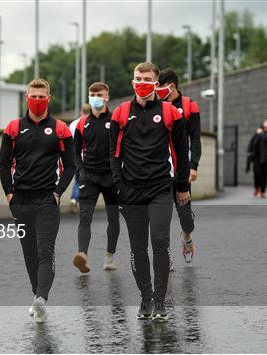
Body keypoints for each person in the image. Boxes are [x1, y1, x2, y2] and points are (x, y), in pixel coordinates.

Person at [109, 62, 189, 320]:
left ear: (156, 83)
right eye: (137, 78)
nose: (141, 82)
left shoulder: (170, 112)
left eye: (146, 78)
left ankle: (160, 300)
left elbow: (180, 154)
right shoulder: (120, 113)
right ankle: (145, 299)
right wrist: (119, 186)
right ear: (132, 81)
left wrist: (182, 187)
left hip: (160, 189)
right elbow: (113, 154)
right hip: (131, 191)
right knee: (138, 248)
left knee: (160, 241)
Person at [0, 78, 75, 322]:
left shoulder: (61, 129)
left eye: (42, 97)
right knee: (29, 252)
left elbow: (71, 166)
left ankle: (42, 298)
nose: (38, 100)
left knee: (45, 251)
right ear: (27, 98)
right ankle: (36, 295)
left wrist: (58, 191)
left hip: (46, 199)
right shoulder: (13, 128)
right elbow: (3, 164)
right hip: (20, 199)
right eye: (34, 96)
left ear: (49, 98)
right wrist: (9, 193)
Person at [72, 82, 120, 273]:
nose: (95, 97)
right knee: (85, 218)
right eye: (92, 94)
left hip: (112, 178)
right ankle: (82, 254)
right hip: (89, 178)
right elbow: (75, 153)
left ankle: (110, 257)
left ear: (107, 96)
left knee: (113, 218)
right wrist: (82, 172)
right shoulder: (82, 123)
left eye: (99, 94)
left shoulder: (116, 120)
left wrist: (120, 174)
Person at [157, 68, 201, 264]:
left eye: (158, 86)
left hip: (181, 169)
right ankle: (164, 255)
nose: (154, 90)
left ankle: (187, 237)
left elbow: (196, 138)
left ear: (170, 86)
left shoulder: (189, 106)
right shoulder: (156, 107)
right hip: (160, 171)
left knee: (185, 215)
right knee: (161, 216)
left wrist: (194, 165)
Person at [69, 104, 92, 212]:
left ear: (81, 111)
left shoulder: (73, 124)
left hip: (76, 157)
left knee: (78, 180)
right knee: (89, 183)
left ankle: (74, 199)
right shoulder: (92, 123)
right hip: (89, 158)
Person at [248, 119, 267, 198]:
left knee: (264, 175)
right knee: (257, 174)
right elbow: (252, 141)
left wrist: (260, 132)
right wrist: (249, 151)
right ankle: (257, 188)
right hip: (256, 158)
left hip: (266, 159)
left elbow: (266, 138)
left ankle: (263, 191)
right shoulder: (258, 131)